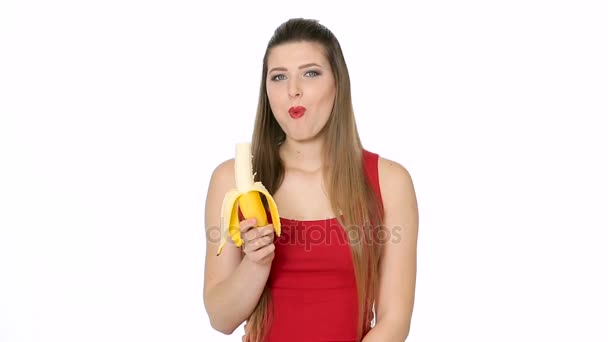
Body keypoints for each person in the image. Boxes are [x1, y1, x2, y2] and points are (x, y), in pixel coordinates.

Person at [203, 18, 419, 342]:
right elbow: (221, 318)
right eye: (278, 77)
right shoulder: (230, 181)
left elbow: (394, 319)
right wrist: (256, 263)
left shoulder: (391, 182)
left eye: (311, 72)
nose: (293, 90)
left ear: (338, 83)